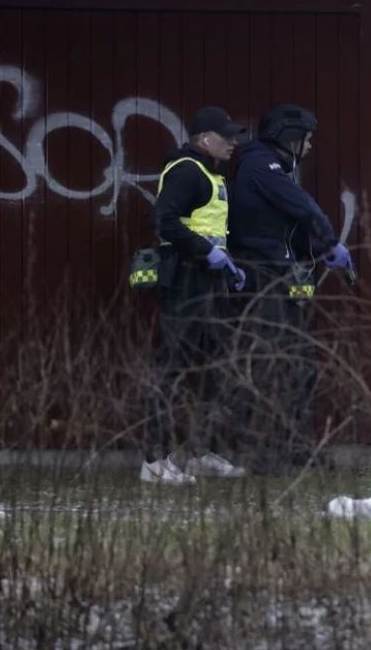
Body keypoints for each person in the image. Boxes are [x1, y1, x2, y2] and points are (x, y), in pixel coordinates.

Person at [226, 103, 354, 472]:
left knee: (299, 365)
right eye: (307, 139)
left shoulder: (273, 169)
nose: (310, 147)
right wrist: (330, 240)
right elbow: (304, 207)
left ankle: (297, 449)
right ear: (289, 136)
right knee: (273, 365)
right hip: (262, 277)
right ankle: (266, 455)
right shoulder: (260, 166)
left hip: (277, 274)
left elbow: (283, 233)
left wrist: (317, 251)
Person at [141, 106, 249, 483]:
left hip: (207, 281)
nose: (233, 142)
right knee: (172, 369)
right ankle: (154, 462)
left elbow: (209, 229)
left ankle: (201, 452)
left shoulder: (209, 174)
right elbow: (164, 221)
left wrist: (228, 264)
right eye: (226, 136)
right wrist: (206, 253)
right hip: (186, 280)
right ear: (205, 139)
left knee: (213, 370)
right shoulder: (187, 172)